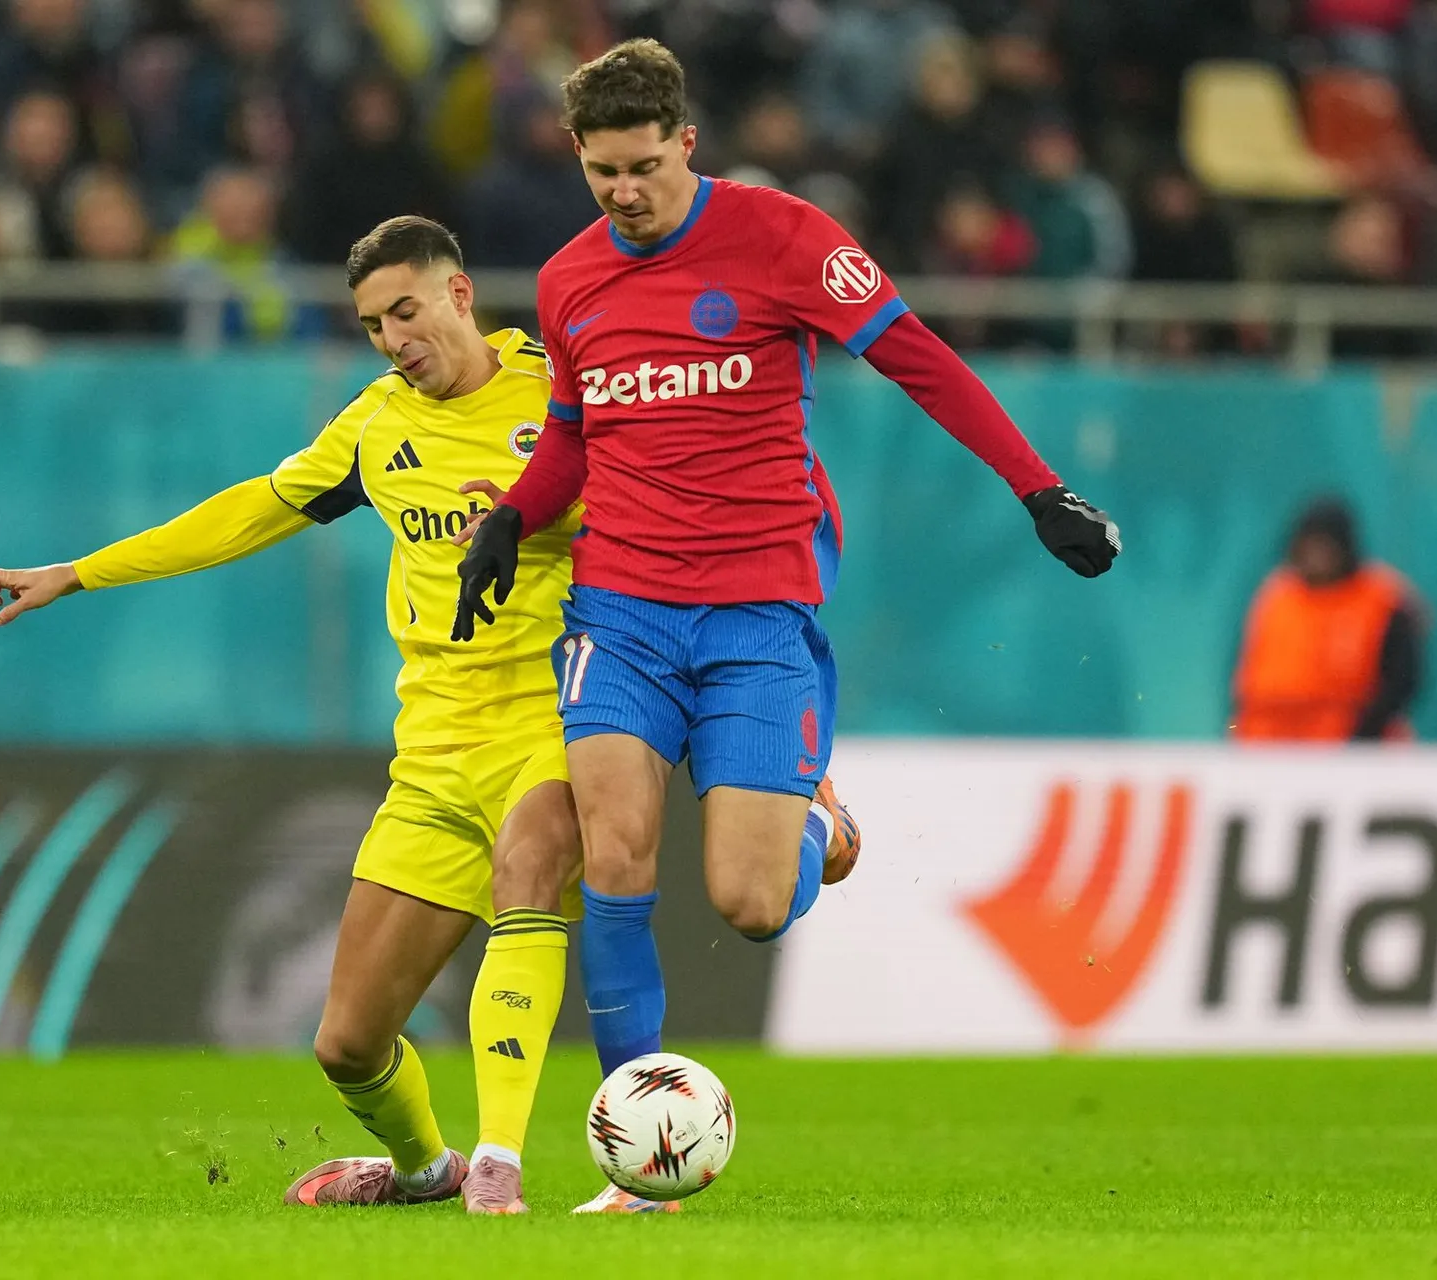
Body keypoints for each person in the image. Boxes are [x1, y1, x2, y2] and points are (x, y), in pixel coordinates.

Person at [453, 38, 1119, 1212]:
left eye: (645, 167)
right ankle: (638, 1164)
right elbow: (572, 430)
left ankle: (820, 820)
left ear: (686, 143)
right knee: (615, 854)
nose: (624, 192)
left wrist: (1039, 487)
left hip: (758, 610)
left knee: (752, 903)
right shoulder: (567, 280)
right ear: (577, 157)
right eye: (603, 172)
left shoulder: (785, 236)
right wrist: (513, 515)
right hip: (621, 607)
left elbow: (919, 359)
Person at [0, 217, 580, 1216]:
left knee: (531, 875)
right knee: (348, 1043)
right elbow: (251, 510)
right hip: (434, 754)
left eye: (406, 311)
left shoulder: (561, 393)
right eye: (373, 324)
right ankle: (429, 1171)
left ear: (460, 294)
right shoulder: (376, 425)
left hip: (556, 720)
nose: (393, 339)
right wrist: (79, 571)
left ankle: (501, 1164)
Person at [1231, 498, 1426, 742]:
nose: (1317, 557)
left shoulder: (1380, 599)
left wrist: (1363, 737)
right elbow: (1249, 676)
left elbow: (1402, 681)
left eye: (1325, 548)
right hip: (1266, 744)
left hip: (1346, 745)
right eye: (1309, 547)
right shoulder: (1276, 594)